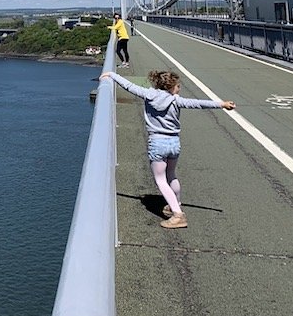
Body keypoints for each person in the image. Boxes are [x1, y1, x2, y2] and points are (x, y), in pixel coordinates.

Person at [99, 68, 235, 229]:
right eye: (178, 86)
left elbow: (129, 86)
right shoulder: (176, 101)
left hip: (157, 142)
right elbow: (198, 104)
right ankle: (175, 205)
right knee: (171, 175)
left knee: (160, 179)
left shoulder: (148, 94)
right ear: (170, 87)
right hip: (174, 143)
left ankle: (178, 215)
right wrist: (222, 104)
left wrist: (112, 75)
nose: (179, 89)